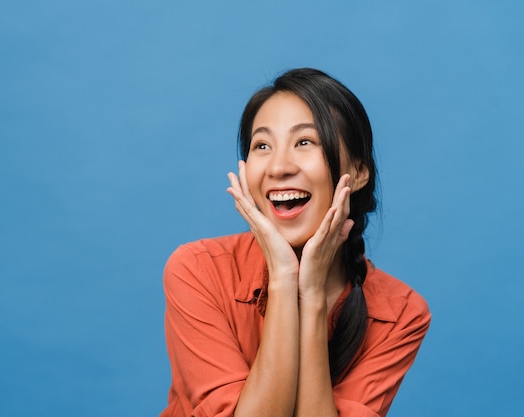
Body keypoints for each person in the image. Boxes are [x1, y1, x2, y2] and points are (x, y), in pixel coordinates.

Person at [159, 68, 430, 417]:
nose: (279, 167)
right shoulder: (197, 270)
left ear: (359, 172)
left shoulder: (400, 314)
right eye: (262, 146)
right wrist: (285, 277)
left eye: (305, 142)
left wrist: (312, 296)